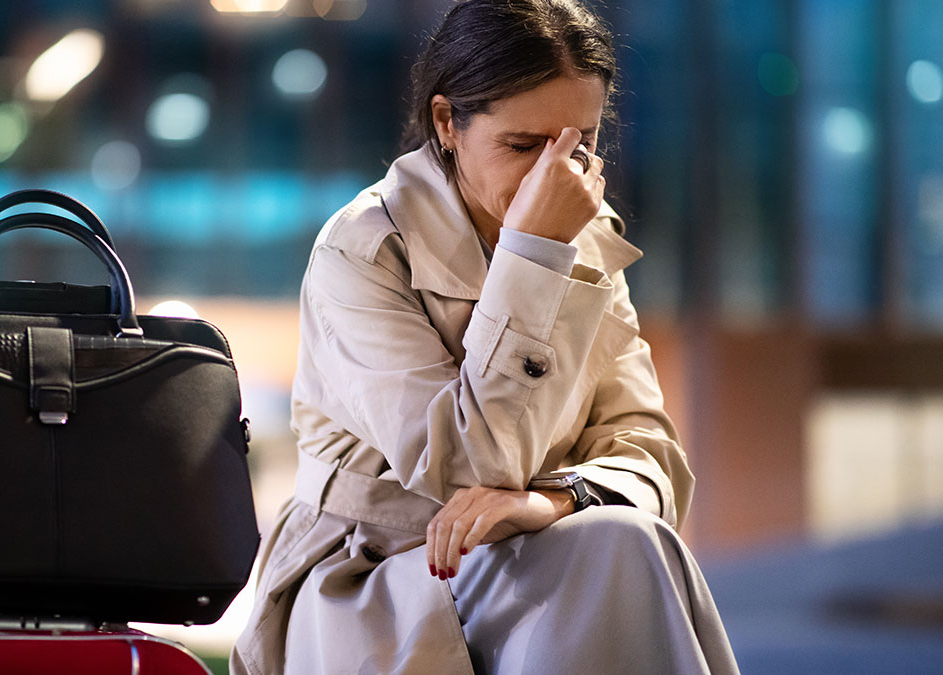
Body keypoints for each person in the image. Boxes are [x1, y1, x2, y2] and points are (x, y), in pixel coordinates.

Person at [231, 1, 739, 672]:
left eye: (579, 144)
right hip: (380, 570)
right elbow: (467, 465)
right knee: (619, 549)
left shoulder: (584, 235)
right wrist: (533, 256)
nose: (552, 175)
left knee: (624, 536)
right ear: (447, 123)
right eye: (524, 146)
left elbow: (652, 454)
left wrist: (551, 500)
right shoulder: (363, 251)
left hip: (542, 547)